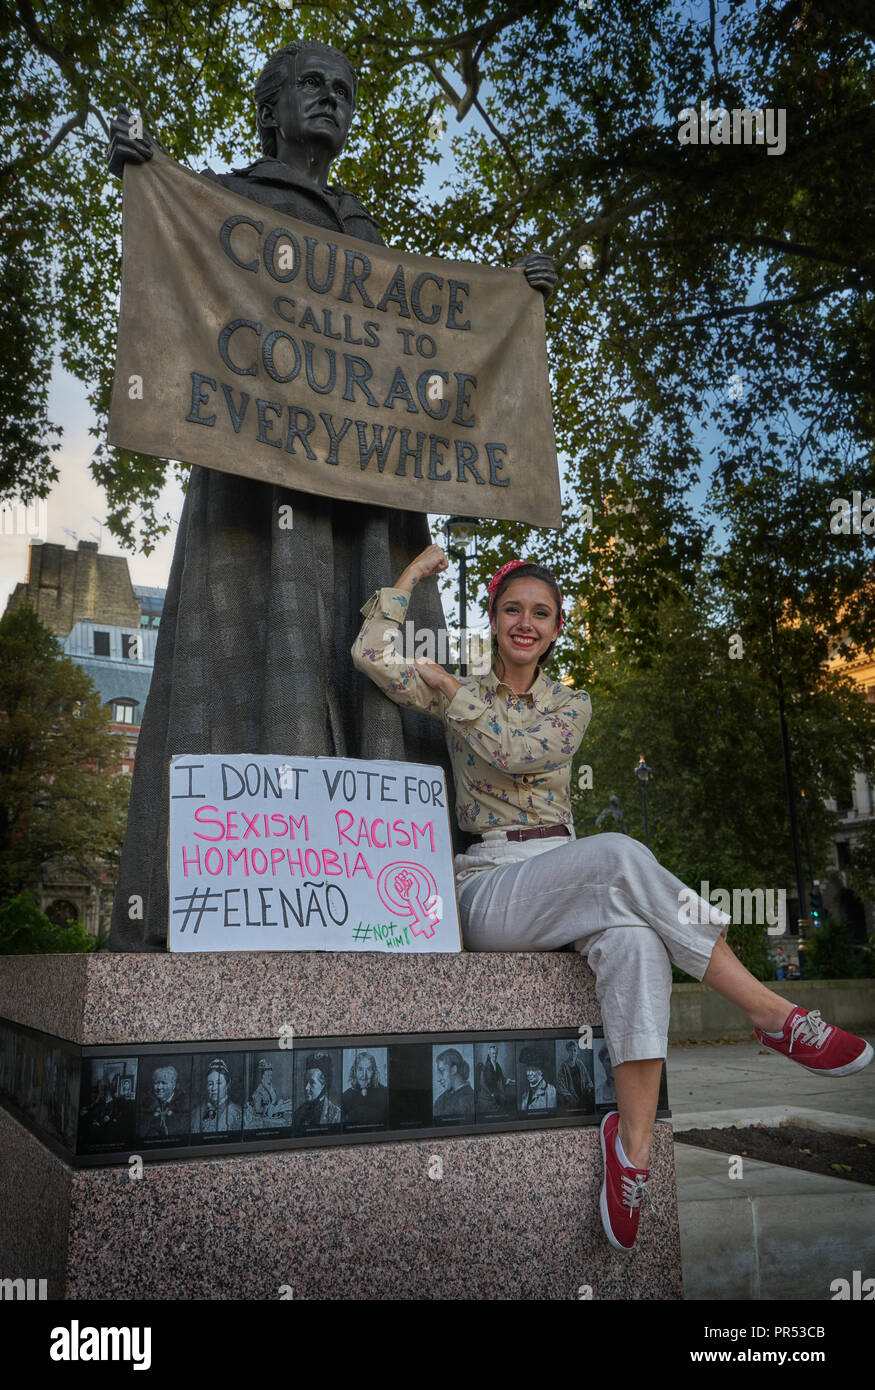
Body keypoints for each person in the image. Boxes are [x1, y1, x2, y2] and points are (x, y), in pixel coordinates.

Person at [104, 38, 557, 951]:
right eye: (312, 85)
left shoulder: (365, 238)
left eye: (345, 91)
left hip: (365, 500)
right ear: (270, 105)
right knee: (247, 653)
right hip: (254, 481)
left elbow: (427, 349)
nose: (332, 101)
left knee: (372, 656)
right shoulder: (227, 200)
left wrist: (514, 301)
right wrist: (146, 177)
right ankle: (227, 889)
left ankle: (385, 903)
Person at [351, 543, 875, 1253]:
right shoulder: (459, 683)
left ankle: (629, 1153)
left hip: (567, 868)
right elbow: (370, 652)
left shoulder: (570, 705)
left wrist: (452, 691)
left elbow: (522, 750)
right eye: (512, 610)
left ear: (558, 627)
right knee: (621, 854)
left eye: (541, 613)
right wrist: (411, 579)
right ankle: (771, 1014)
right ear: (495, 619)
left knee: (633, 941)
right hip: (487, 883)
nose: (525, 623)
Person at [191, 1058, 242, 1134]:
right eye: (210, 1084)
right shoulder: (197, 1112)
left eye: (218, 1083)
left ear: (227, 1084)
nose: (214, 1088)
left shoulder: (237, 1113)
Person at [293, 1053, 341, 1129]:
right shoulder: (298, 1114)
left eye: (312, 1083)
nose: (306, 1088)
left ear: (324, 1083)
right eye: (306, 1082)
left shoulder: (335, 1115)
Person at [342, 1052, 387, 1126]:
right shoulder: (345, 1096)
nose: (364, 1075)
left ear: (374, 1072)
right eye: (360, 1069)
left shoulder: (385, 1093)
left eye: (369, 1069)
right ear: (354, 1071)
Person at [434, 1048, 476, 1120]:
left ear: (453, 1069)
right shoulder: (441, 1100)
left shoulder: (471, 1099)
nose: (438, 1079)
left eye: (442, 1071)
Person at [557, 1040, 593, 1110]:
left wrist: (588, 1088)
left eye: (574, 1050)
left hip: (582, 1095)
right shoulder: (564, 1066)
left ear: (577, 1052)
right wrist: (569, 1096)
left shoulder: (580, 1064)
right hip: (570, 1098)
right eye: (570, 1050)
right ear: (567, 1051)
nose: (573, 1053)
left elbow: (587, 1078)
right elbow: (560, 1084)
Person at [518, 1045, 557, 1111]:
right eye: (528, 1069)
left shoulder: (551, 1091)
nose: (529, 1073)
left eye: (533, 1069)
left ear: (541, 1071)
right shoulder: (525, 1093)